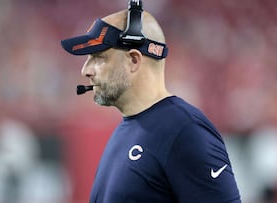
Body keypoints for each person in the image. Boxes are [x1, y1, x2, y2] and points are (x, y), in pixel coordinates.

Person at [61, 5, 241, 203]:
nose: (86, 71)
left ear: (133, 60)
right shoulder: (124, 131)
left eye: (98, 57)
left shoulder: (185, 131)